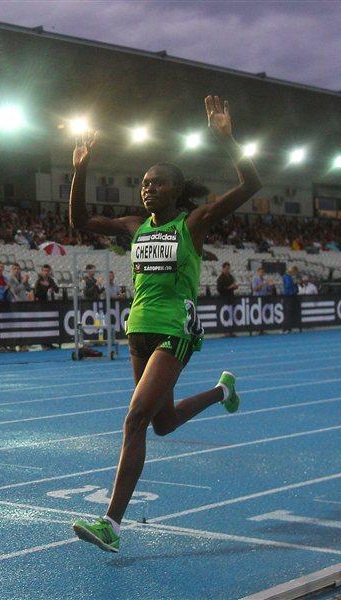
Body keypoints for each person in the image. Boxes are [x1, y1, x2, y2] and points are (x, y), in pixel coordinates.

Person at [70, 94, 261, 552]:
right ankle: (222, 392)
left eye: (157, 183)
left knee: (135, 419)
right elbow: (79, 221)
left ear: (176, 191)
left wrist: (228, 139)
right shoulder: (133, 227)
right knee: (162, 422)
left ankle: (111, 525)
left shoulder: (193, 224)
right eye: (144, 183)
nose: (147, 188)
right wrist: (80, 169)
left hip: (176, 328)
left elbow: (252, 183)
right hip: (139, 329)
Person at [216, 262, 238, 337]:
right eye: (226, 268)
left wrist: (235, 286)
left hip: (231, 298)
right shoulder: (220, 278)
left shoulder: (231, 276)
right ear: (223, 268)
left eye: (229, 268)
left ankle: (231, 331)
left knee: (231, 315)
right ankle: (226, 332)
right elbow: (219, 289)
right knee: (225, 315)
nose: (228, 270)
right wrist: (229, 287)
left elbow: (233, 285)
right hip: (224, 298)